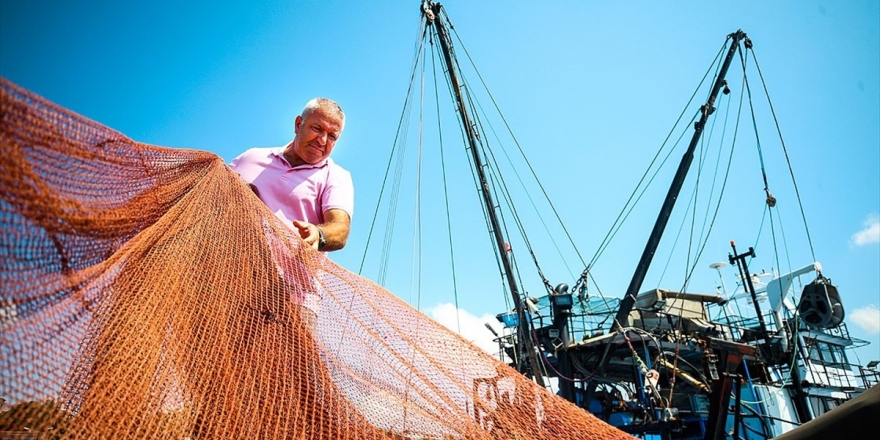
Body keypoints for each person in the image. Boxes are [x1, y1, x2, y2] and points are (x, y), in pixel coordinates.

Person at [229, 97, 352, 252]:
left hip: (286, 276)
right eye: (317, 128)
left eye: (332, 136)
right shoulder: (250, 157)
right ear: (298, 124)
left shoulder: (336, 176)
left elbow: (340, 229)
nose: (322, 140)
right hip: (230, 267)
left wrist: (319, 234)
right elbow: (215, 191)